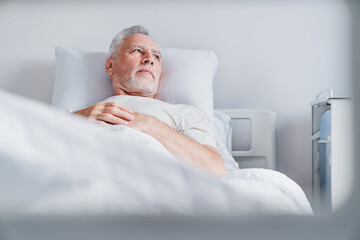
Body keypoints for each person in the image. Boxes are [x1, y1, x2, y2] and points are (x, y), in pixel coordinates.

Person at [75, 26, 225, 176]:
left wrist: (151, 125)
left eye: (156, 57)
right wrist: (76, 118)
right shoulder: (84, 113)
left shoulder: (184, 114)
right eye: (138, 51)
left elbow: (215, 169)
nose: (149, 59)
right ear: (110, 65)